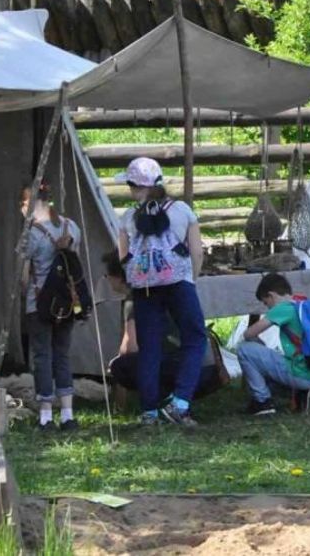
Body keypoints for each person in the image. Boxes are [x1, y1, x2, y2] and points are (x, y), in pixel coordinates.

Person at [116, 157, 208, 427]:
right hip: (178, 283)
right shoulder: (182, 210)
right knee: (194, 338)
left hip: (145, 288)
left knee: (150, 347)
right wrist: (192, 278)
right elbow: (197, 251)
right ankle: (180, 402)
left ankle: (149, 411)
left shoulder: (128, 218)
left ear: (134, 187)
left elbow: (122, 257)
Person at [104, 253, 224, 401]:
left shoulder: (136, 300)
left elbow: (130, 347)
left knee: (120, 366)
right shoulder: (172, 289)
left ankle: (164, 397)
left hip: (182, 368)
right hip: (206, 369)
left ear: (118, 277)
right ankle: (176, 398)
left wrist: (115, 360)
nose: (107, 279)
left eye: (107, 275)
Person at [21, 182, 83, 431]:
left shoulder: (31, 234)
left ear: (30, 204)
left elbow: (24, 276)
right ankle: (68, 414)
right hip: (68, 303)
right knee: (62, 354)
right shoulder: (71, 227)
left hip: (39, 303)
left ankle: (46, 415)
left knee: (42, 356)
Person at [236, 273, 310, 416]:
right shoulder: (302, 303)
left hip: (300, 373)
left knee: (244, 350)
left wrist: (260, 346)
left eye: (266, 303)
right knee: (274, 360)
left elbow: (248, 334)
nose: (267, 308)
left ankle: (262, 402)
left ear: (271, 295)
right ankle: (301, 393)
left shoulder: (283, 308)